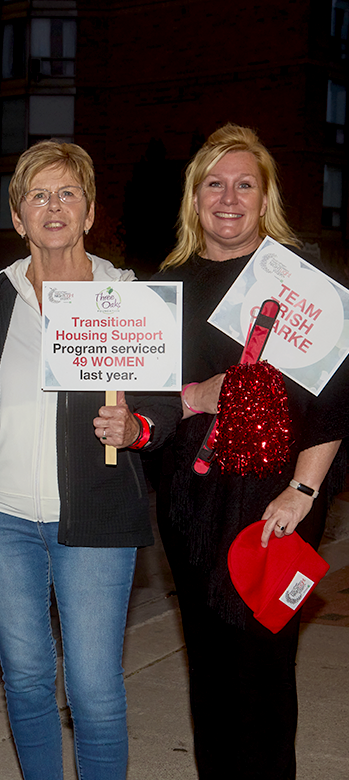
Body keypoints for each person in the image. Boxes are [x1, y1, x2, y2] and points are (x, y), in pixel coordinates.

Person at [0, 140, 181, 780]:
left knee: (93, 689)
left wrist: (138, 426)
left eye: (68, 193)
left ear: (90, 212)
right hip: (3, 523)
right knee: (26, 679)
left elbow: (165, 404)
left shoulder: (129, 295)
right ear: (18, 217)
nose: (54, 207)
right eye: (38, 196)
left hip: (95, 520)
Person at [154, 123, 349, 780]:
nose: (229, 198)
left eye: (244, 185)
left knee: (264, 665)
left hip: (277, 501)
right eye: (214, 184)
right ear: (195, 197)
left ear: (266, 198)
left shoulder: (302, 282)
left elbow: (334, 397)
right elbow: (146, 396)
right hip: (193, 501)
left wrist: (304, 491)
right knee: (209, 664)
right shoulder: (167, 288)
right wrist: (196, 396)